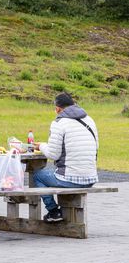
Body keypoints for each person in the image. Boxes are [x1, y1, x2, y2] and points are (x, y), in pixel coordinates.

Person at [33, 93, 98, 223]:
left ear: (57, 108)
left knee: (37, 175)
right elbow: (96, 147)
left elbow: (53, 154)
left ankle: (53, 211)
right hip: (91, 177)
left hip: (70, 178)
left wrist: (41, 146)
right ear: (74, 104)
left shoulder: (59, 123)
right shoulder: (89, 120)